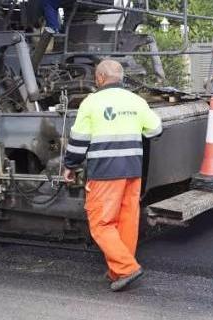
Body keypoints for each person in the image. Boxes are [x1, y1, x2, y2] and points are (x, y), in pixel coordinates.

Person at [63, 59, 162, 291]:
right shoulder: (136, 101)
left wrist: (71, 165)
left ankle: (127, 268)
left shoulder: (91, 102)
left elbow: (78, 141)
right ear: (121, 78)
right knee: (127, 221)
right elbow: (156, 130)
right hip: (133, 171)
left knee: (101, 223)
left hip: (105, 172)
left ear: (99, 78)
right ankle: (118, 271)